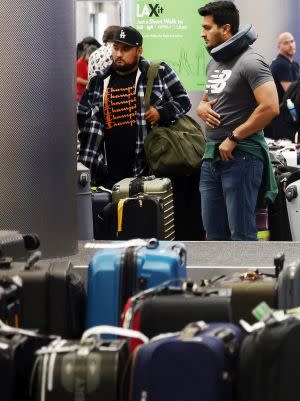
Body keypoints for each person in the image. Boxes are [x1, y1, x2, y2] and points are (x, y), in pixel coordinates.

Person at [196, 1, 279, 241]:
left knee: (241, 237)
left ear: (226, 29)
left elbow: (271, 106)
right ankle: (217, 280)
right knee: (214, 236)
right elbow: (206, 99)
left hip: (241, 157)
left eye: (207, 27)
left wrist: (234, 137)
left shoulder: (251, 61)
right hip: (211, 158)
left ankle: (245, 280)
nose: (202, 33)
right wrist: (201, 107)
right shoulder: (214, 62)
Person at [78, 26, 192, 187]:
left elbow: (183, 100)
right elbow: (82, 114)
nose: (118, 54)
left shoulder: (158, 72)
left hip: (149, 169)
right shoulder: (99, 80)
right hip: (107, 171)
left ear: (139, 51)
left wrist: (162, 113)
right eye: (116, 48)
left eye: (125, 49)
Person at [266, 31, 299, 140]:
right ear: (279, 46)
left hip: (287, 114)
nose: (291, 44)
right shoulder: (281, 64)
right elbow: (291, 93)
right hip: (280, 118)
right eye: (286, 43)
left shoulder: (294, 64)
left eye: (292, 41)